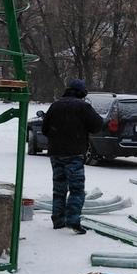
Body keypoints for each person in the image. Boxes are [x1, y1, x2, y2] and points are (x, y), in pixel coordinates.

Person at [41, 79, 104, 234]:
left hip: (56, 154)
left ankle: (58, 220)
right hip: (74, 154)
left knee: (59, 188)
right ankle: (73, 221)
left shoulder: (55, 105)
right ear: (82, 93)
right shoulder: (83, 107)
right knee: (76, 190)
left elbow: (44, 129)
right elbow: (97, 125)